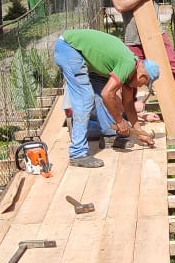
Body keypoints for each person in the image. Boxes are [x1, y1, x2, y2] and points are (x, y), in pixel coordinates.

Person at [54, 29, 158, 169]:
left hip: (85, 59)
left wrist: (140, 133)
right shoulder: (128, 63)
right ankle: (77, 153)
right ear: (142, 77)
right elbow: (106, 94)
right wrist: (120, 122)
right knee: (86, 97)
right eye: (144, 84)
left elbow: (128, 105)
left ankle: (109, 136)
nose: (140, 86)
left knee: (103, 94)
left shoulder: (131, 72)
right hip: (69, 48)